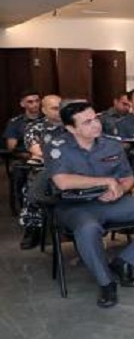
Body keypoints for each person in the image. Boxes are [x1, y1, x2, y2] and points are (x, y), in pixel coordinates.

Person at [47, 101, 134, 308]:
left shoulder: (111, 144)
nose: (95, 125)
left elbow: (128, 177)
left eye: (95, 119)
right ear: (71, 128)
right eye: (87, 122)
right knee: (88, 229)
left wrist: (120, 189)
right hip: (75, 205)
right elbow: (62, 181)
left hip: (112, 201)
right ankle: (106, 283)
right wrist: (106, 181)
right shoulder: (57, 146)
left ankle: (125, 262)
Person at [17, 94, 65, 249]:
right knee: (32, 186)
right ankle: (32, 229)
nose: (59, 111)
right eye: (55, 108)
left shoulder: (72, 125)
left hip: (71, 168)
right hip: (46, 169)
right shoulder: (35, 128)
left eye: (61, 108)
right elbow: (38, 151)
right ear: (44, 110)